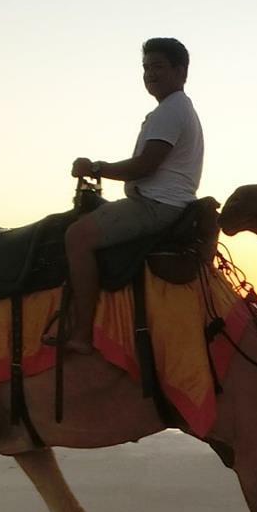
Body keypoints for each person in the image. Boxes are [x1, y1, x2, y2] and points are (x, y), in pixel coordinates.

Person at [64, 37, 204, 354]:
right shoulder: (174, 109)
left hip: (156, 206)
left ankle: (81, 334)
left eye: (158, 67)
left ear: (181, 71)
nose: (150, 74)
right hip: (163, 202)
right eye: (145, 68)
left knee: (76, 237)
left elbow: (145, 165)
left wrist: (96, 168)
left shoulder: (172, 111)